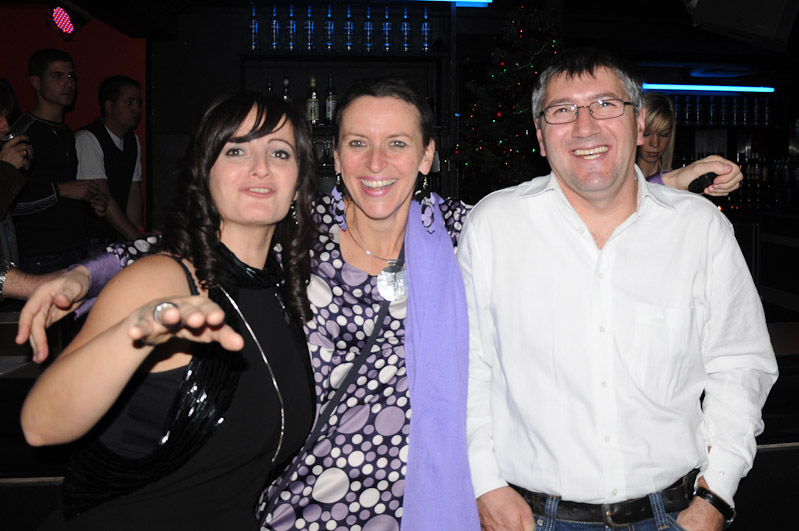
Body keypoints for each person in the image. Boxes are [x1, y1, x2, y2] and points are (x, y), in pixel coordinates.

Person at [16, 77, 746, 530]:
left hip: (421, 503)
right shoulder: (296, 233)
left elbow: (560, 212)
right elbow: (187, 246)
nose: (376, 164)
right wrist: (83, 275)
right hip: (296, 506)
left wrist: (663, 186)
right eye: (357, 144)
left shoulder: (461, 232)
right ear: (333, 157)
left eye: (398, 144)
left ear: (427, 156)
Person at [459, 48, 777, 531]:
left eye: (605, 105)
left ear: (639, 123)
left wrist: (715, 496)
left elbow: (740, 365)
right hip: (530, 518)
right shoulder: (494, 226)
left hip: (673, 516)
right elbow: (467, 368)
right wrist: (484, 484)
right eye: (562, 110)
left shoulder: (698, 229)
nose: (585, 127)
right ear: (540, 136)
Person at [20, 91, 317, 530]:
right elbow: (41, 426)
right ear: (205, 172)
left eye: (280, 152)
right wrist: (133, 333)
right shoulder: (162, 280)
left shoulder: (284, 285)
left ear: (299, 179)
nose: (261, 167)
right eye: (236, 150)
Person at [11, 49, 107, 274]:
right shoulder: (23, 131)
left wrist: (90, 201)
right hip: (40, 254)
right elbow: (11, 203)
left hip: (75, 248)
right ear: (36, 82)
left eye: (71, 76)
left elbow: (64, 194)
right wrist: (62, 190)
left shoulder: (65, 132)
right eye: (57, 76)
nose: (68, 83)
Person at [76, 75, 144, 247]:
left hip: (117, 238)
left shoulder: (132, 140)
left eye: (138, 103)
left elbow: (133, 192)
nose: (136, 109)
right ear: (109, 106)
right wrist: (138, 240)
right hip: (89, 241)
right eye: (129, 102)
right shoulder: (87, 138)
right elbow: (103, 196)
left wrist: (139, 233)